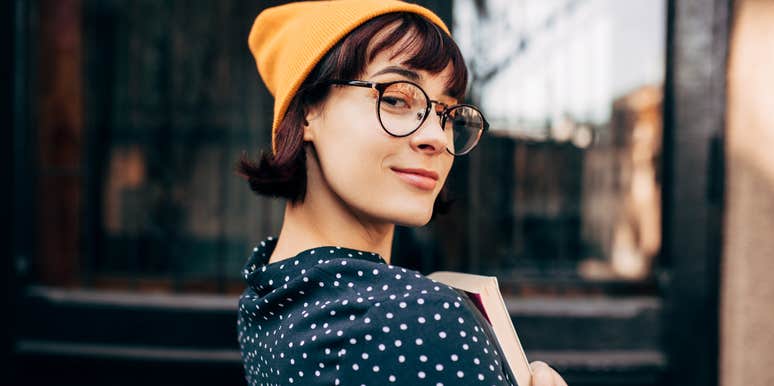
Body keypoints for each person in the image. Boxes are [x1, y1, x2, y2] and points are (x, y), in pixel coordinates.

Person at [236, 1, 568, 385]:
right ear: (308, 109)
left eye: (447, 113)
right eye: (396, 99)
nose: (436, 138)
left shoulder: (270, 290)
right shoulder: (422, 319)